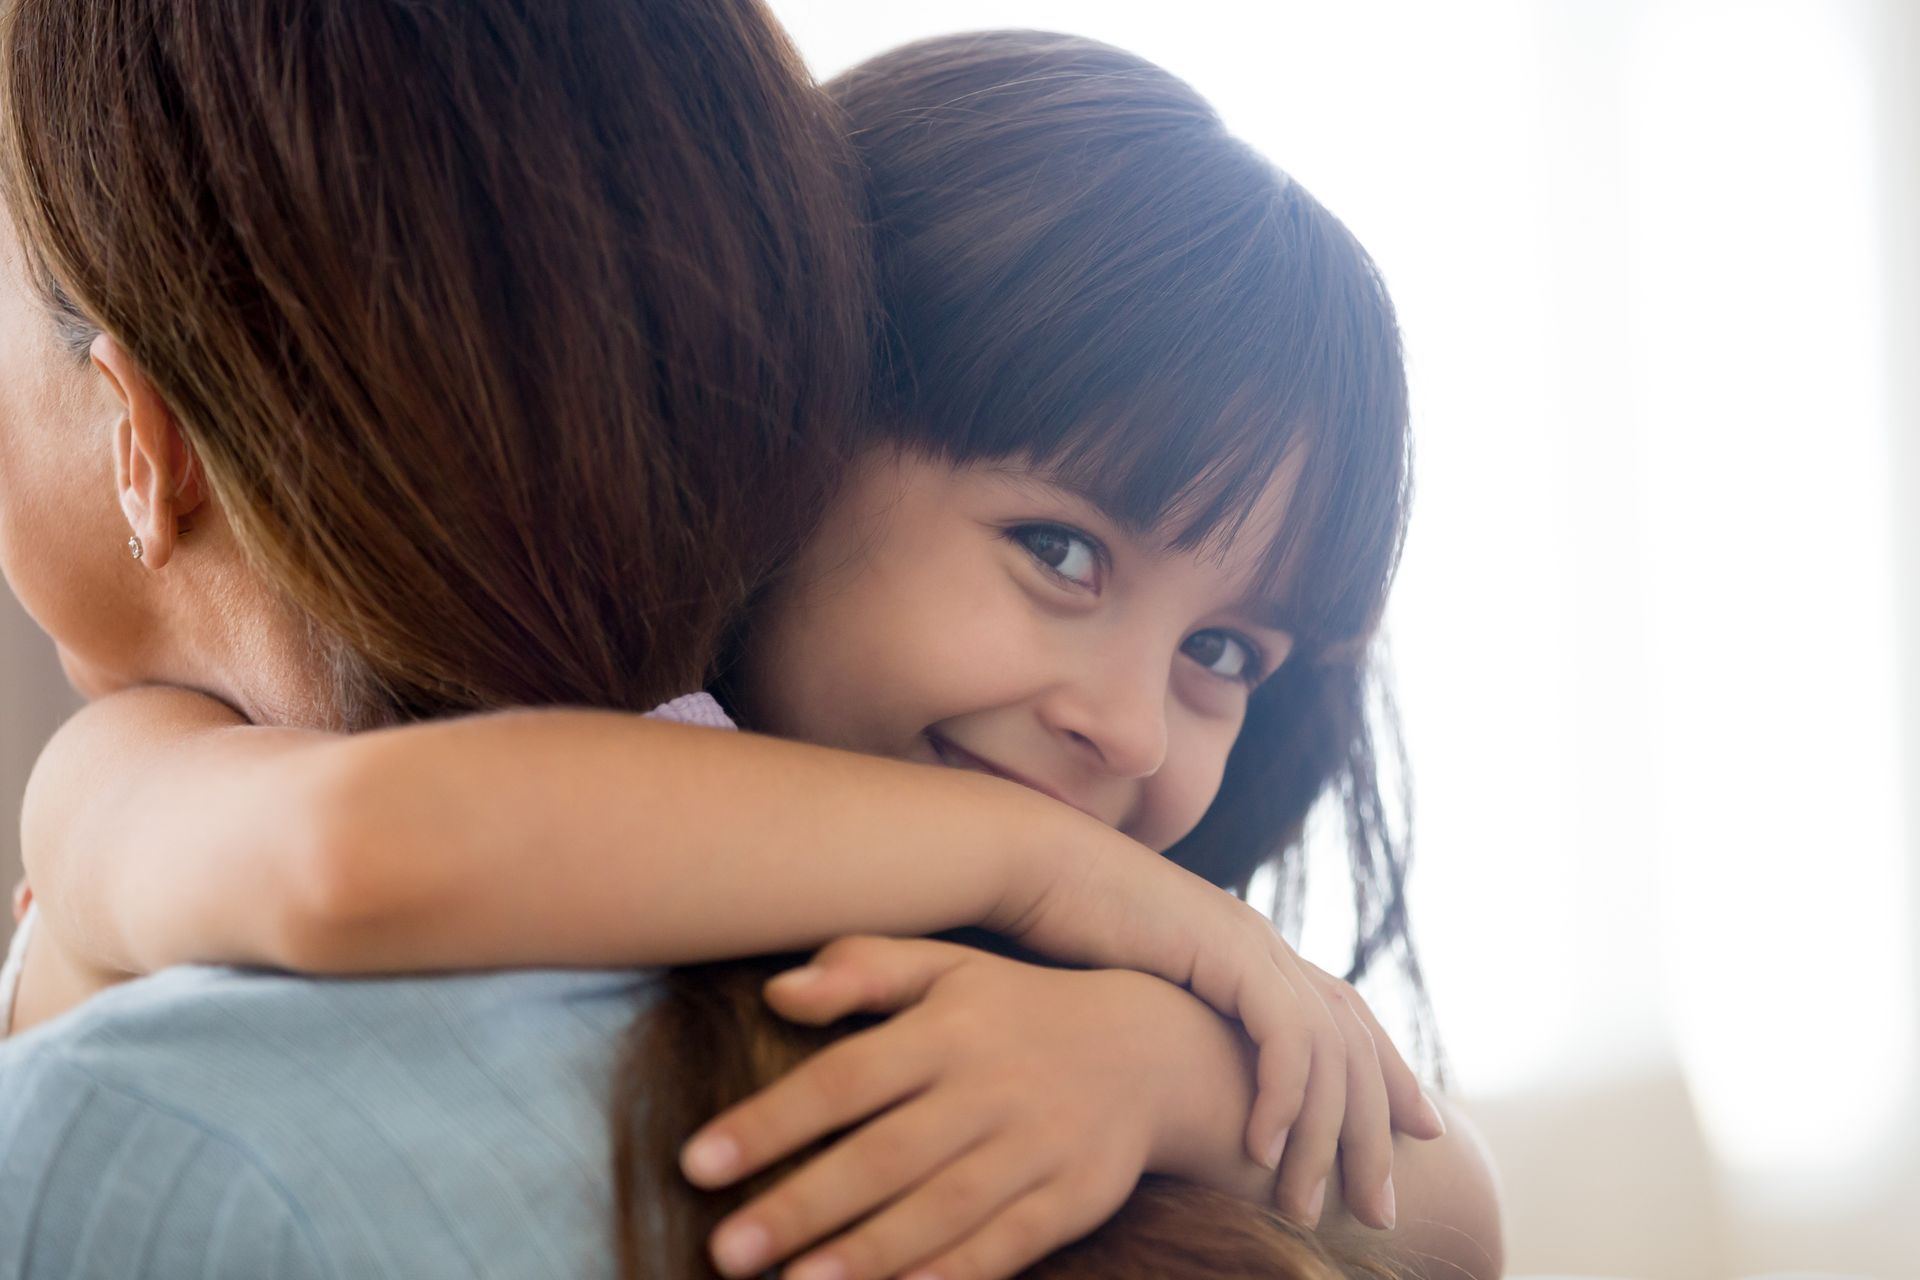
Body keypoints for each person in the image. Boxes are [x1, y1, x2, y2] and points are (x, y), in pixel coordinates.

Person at [0, 9, 1498, 1280]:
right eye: (1060, 554)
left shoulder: (1091, 983)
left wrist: (1159, 1074)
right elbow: (358, 855)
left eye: (1226, 654)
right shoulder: (157, 759)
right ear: (788, 429)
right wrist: (1040, 862)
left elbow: (1454, 1212)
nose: (1137, 730)